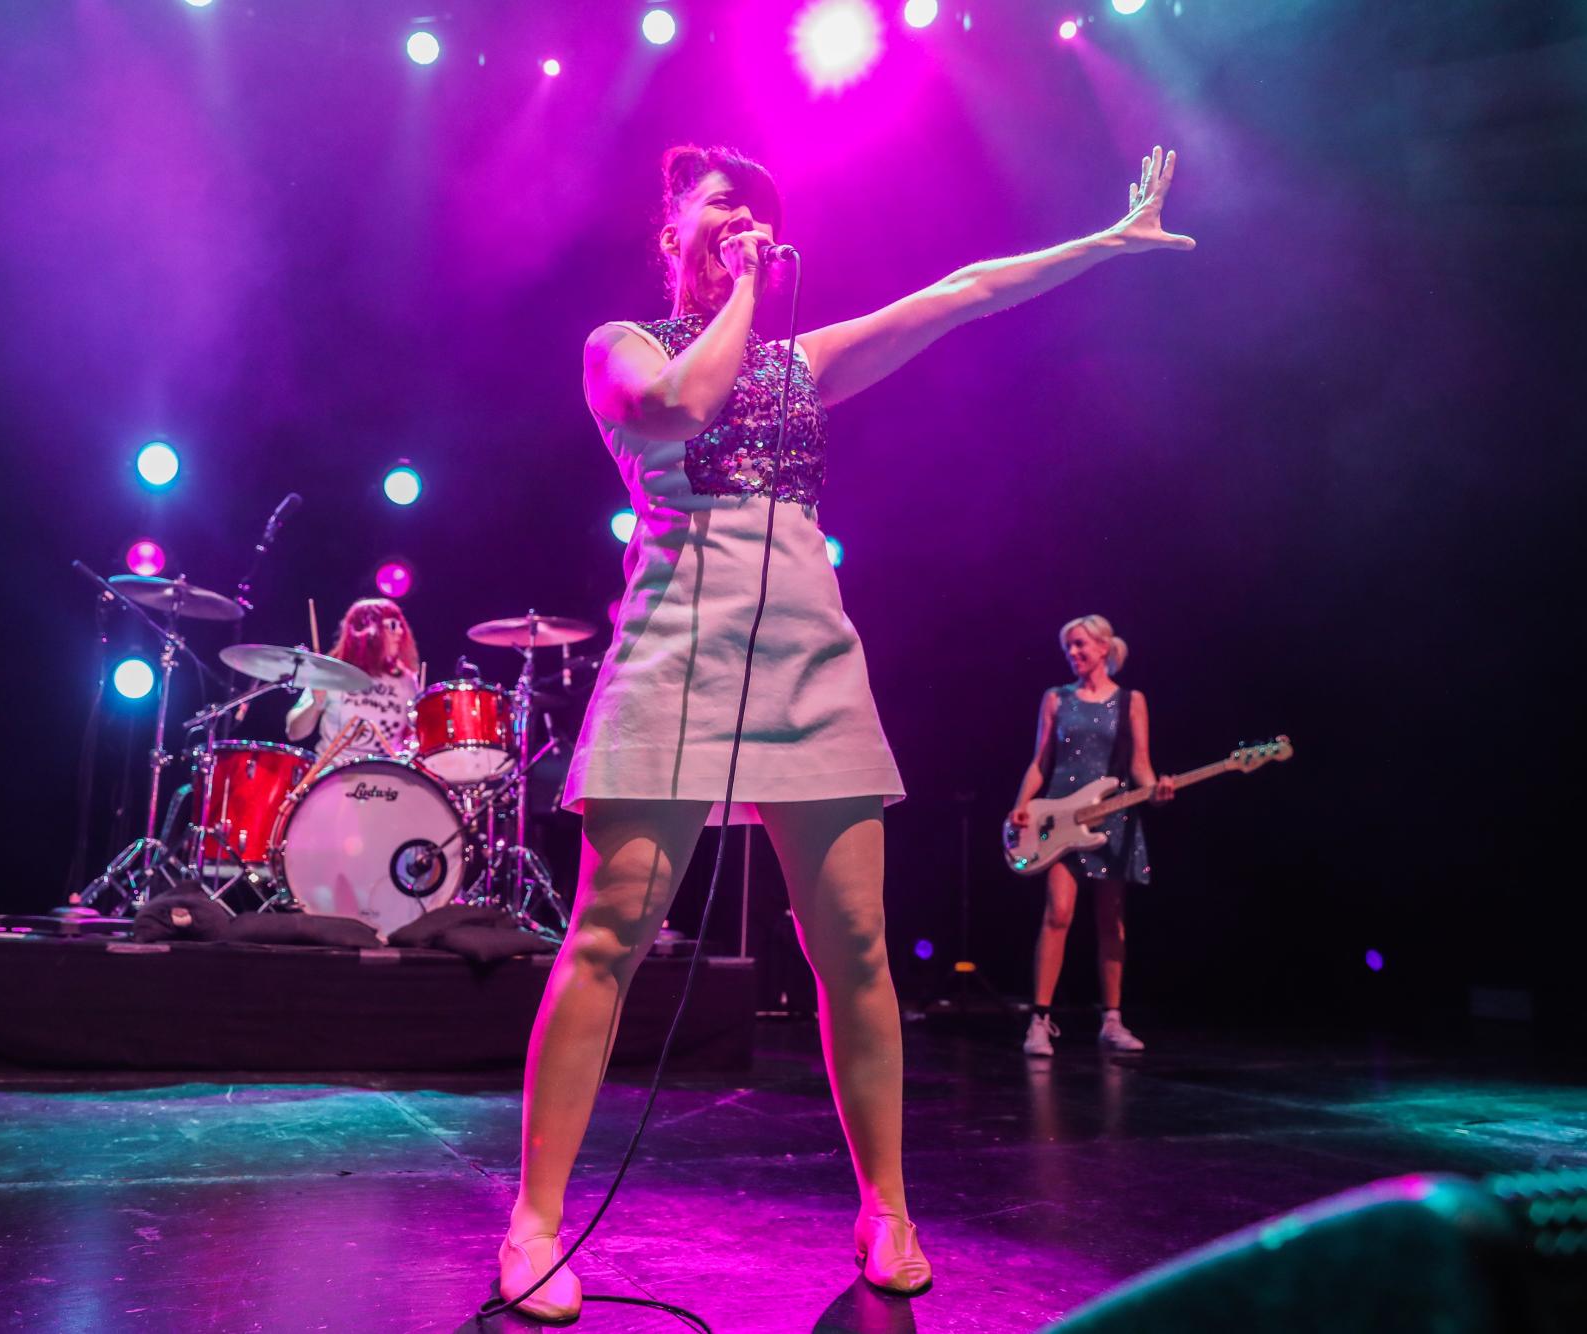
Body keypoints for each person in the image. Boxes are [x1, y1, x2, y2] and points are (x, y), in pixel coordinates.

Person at [499, 143, 1195, 1322]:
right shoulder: (621, 346)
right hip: (673, 650)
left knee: (856, 949)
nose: (742, 223)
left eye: (758, 215)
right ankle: (533, 1221)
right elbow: (680, 406)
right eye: (719, 209)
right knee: (609, 934)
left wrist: (1101, 244)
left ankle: (886, 1206)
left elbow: (960, 293)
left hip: (809, 659)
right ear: (670, 235)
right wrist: (749, 297)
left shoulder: (801, 362)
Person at [1009, 615, 1174, 1058]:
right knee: (1058, 912)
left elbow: (1140, 764)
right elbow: (1041, 760)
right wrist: (1023, 802)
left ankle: (1112, 1020)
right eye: (1069, 649)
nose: (1074, 654)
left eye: (1081, 645)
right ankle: (1039, 1020)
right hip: (1060, 817)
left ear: (1104, 647)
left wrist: (1155, 790)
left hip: (1113, 819)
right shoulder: (1056, 698)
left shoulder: (1130, 701)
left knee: (1110, 919)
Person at [283, 598, 419, 761]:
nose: (400, 632)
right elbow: (294, 733)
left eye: (401, 626)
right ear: (368, 630)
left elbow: (413, 737)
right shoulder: (330, 673)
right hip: (334, 775)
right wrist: (316, 704)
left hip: (386, 778)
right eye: (392, 625)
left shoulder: (407, 680)